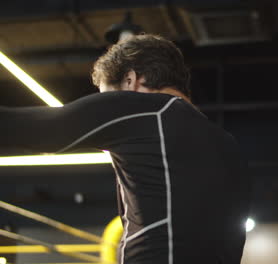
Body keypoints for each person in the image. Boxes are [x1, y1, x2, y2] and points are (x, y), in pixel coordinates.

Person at [0, 34, 251, 264]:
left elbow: (40, 130)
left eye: (107, 96)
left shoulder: (148, 110)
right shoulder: (227, 143)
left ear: (131, 80)